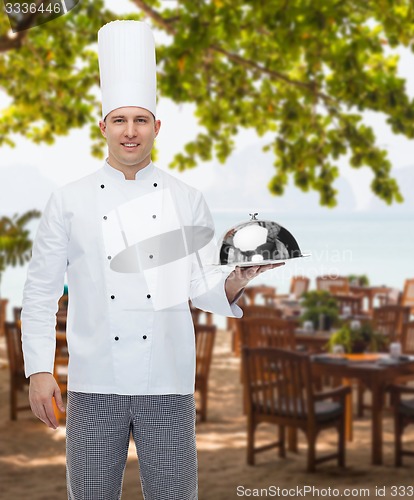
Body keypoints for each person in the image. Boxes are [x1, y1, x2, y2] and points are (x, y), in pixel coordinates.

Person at [21, 20, 282, 500]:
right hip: (93, 382)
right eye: (119, 120)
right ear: (103, 126)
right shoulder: (69, 200)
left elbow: (202, 286)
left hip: (168, 381)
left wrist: (238, 277)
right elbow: (39, 292)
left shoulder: (186, 198)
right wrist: (39, 370)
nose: (130, 131)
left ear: (157, 127)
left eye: (140, 120)